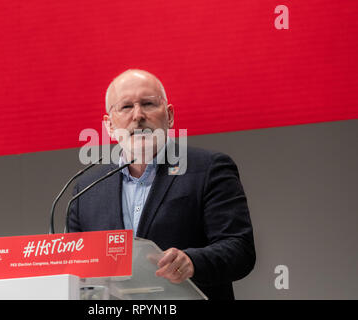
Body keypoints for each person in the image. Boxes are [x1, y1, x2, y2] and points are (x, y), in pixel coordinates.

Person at [68, 69, 255, 300]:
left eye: (148, 103)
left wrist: (192, 262)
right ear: (109, 126)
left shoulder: (209, 169)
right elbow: (73, 266)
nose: (138, 115)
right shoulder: (86, 190)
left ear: (170, 115)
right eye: (126, 107)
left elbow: (240, 250)